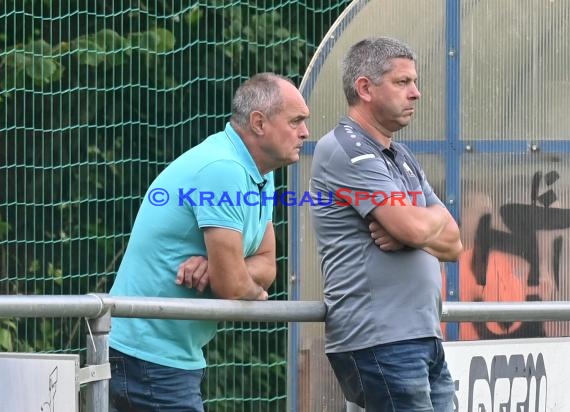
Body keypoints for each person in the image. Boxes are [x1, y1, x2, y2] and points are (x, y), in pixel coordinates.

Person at [108, 72, 310, 412]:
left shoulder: (260, 173)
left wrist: (229, 269)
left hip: (163, 354)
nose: (305, 132)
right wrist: (247, 287)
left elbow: (266, 265)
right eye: (295, 121)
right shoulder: (224, 169)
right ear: (259, 122)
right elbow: (232, 287)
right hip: (146, 354)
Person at [310, 37, 463, 411]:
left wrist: (410, 232)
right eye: (402, 82)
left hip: (420, 335)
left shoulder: (401, 155)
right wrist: (416, 228)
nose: (417, 93)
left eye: (415, 82)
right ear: (365, 88)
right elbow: (417, 227)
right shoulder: (346, 148)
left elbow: (455, 242)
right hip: (380, 340)